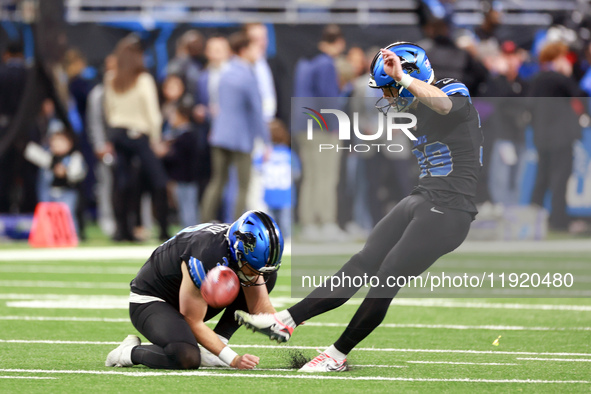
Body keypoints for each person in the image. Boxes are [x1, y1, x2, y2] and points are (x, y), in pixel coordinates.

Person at [235, 42, 483, 372]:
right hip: (424, 198)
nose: (388, 97)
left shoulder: (450, 88)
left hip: (451, 211)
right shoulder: (412, 105)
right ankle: (287, 320)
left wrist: (403, 79)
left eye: (389, 88)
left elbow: (445, 106)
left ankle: (336, 355)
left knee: (386, 278)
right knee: (362, 263)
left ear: (411, 75)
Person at [105, 210, 284, 370]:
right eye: (253, 267)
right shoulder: (206, 255)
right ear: (238, 250)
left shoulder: (238, 246)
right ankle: (127, 353)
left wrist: (284, 320)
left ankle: (215, 346)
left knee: (265, 278)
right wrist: (234, 359)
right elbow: (193, 320)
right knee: (186, 356)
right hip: (152, 300)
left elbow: (259, 305)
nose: (256, 275)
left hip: (189, 296)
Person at [103, 36, 169, 241]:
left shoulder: (111, 78)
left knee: (122, 183)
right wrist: (156, 138)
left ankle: (123, 230)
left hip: (118, 134)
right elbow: (153, 113)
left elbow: (108, 111)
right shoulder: (143, 80)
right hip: (140, 135)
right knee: (159, 181)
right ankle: (164, 229)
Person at [200, 31, 270, 222]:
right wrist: (266, 141)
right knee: (243, 185)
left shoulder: (225, 73)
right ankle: (236, 227)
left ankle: (203, 224)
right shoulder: (247, 75)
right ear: (244, 50)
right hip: (240, 137)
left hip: (219, 134)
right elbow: (257, 110)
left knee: (217, 181)